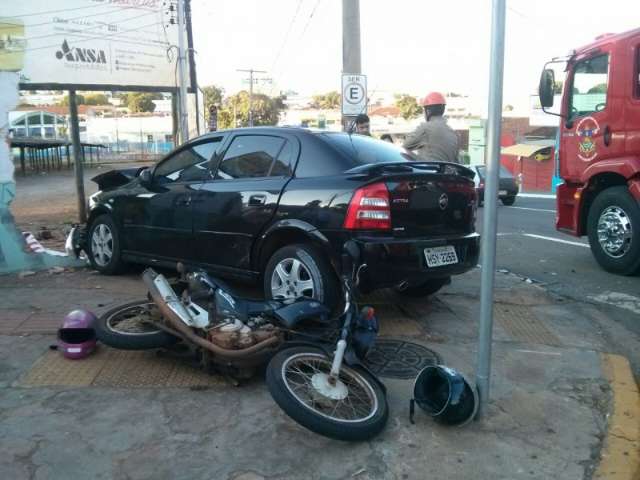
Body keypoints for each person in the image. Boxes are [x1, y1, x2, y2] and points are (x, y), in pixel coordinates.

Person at [403, 92, 460, 163]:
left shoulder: (425, 128)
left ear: (428, 111)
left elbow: (405, 145)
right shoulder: (453, 133)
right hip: (449, 173)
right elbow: (457, 161)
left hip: (429, 172)